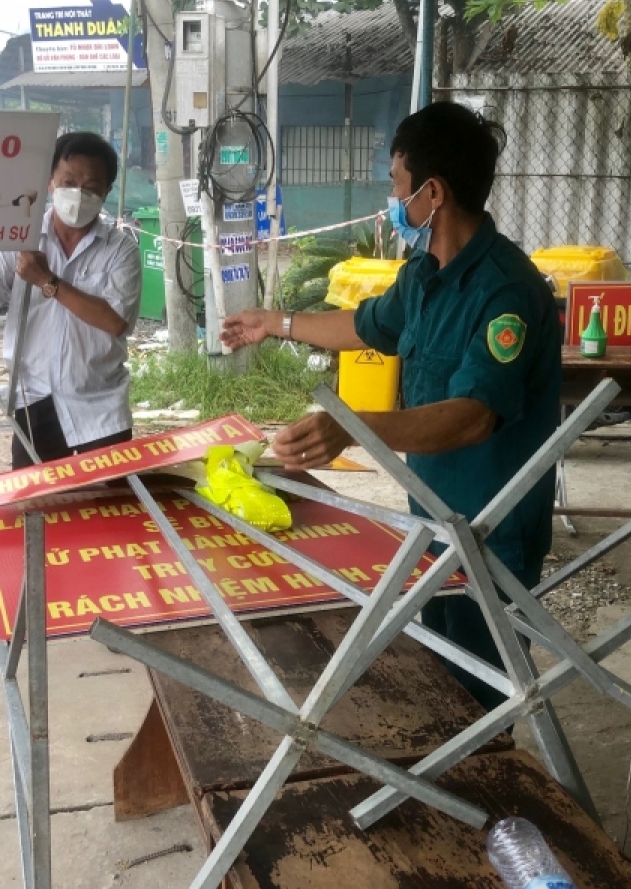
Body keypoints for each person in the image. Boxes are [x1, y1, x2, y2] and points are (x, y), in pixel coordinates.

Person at [221, 102, 561, 709]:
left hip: (493, 532)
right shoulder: (425, 273)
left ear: (433, 192)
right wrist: (274, 322)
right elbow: (365, 325)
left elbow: (474, 414)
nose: (392, 200)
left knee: (484, 691)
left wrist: (352, 429)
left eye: (396, 186)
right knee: (439, 674)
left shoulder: (505, 290)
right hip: (431, 518)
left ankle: (486, 793)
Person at [0, 131, 141, 469]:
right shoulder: (20, 234)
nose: (78, 194)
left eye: (91, 186)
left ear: (107, 192)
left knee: (105, 508)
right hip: (34, 400)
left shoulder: (120, 249)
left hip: (101, 407)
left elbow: (115, 322)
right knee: (38, 511)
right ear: (50, 182)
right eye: (69, 182)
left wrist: (48, 281)